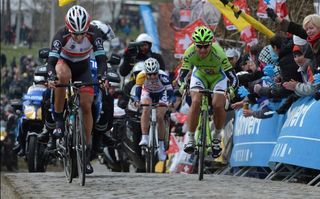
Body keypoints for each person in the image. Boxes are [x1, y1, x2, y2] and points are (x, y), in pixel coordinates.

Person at [46, 5, 108, 174]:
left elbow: (102, 60)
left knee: (87, 106)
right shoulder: (61, 35)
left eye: (82, 33)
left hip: (83, 67)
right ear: (69, 29)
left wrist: (102, 76)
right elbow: (51, 62)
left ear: (87, 28)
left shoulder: (95, 33)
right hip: (64, 64)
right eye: (75, 34)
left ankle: (86, 152)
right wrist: (52, 76)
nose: (79, 37)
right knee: (62, 77)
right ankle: (59, 120)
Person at [178, 26, 238, 158]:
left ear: (211, 44)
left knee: (217, 104)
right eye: (199, 46)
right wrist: (182, 85)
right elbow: (182, 75)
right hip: (199, 76)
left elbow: (233, 76)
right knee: (195, 101)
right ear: (194, 44)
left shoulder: (219, 53)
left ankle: (216, 137)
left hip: (218, 78)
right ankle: (191, 138)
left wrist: (231, 89)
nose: (203, 50)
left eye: (206, 46)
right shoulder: (189, 53)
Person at [133, 58, 175, 161]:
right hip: (148, 93)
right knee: (146, 108)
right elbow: (137, 93)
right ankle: (145, 137)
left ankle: (161, 146)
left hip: (161, 94)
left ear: (158, 72)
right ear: (146, 73)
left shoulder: (163, 76)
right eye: (150, 74)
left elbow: (171, 94)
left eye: (154, 74)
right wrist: (137, 101)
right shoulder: (141, 76)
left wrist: (170, 102)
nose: (152, 77)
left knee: (160, 116)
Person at [118, 33, 165, 109]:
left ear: (150, 45)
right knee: (127, 89)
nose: (143, 48)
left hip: (153, 83)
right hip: (135, 83)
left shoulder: (156, 57)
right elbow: (123, 72)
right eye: (141, 46)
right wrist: (127, 56)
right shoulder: (132, 57)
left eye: (145, 45)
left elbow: (162, 71)